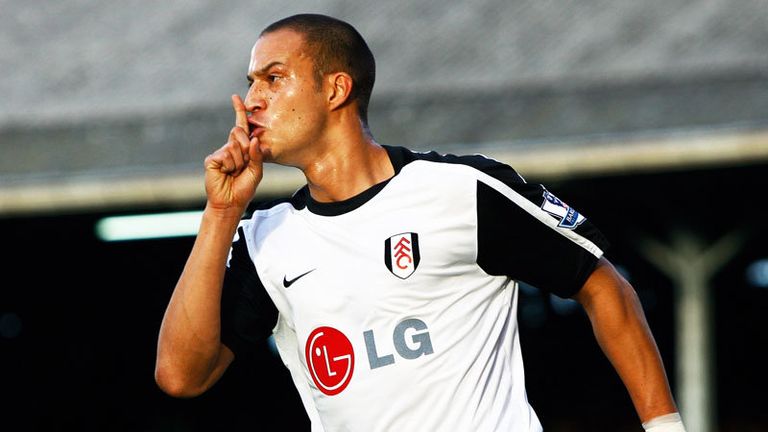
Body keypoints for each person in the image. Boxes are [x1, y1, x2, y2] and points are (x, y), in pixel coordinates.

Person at [155, 13, 686, 432]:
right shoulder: (268, 239)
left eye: (274, 78)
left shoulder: (459, 190)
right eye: (250, 83)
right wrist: (221, 213)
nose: (251, 101)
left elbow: (603, 285)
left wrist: (665, 428)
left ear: (336, 90)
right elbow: (181, 376)